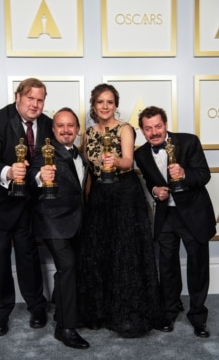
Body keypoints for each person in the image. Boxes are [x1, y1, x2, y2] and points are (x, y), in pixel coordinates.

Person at [76, 83, 165, 338]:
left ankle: (127, 312)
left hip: (124, 195)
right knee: (99, 252)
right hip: (100, 199)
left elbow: (128, 161)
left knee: (125, 253)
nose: (105, 106)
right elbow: (89, 172)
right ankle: (100, 311)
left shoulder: (125, 129)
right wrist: (87, 200)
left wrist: (114, 161)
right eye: (100, 102)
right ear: (94, 106)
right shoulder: (89, 133)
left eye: (110, 102)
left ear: (116, 105)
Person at [0, 78, 52, 336]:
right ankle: (1, 311)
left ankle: (36, 306)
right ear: (18, 96)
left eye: (40, 100)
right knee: (0, 255)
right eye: (31, 99)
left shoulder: (48, 124)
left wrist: (40, 177)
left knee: (28, 253)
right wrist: (8, 171)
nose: (35, 104)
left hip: (26, 201)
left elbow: (42, 162)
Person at [134, 106, 216, 338]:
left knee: (197, 267)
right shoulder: (141, 154)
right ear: (142, 130)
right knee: (167, 266)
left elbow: (204, 175)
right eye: (148, 128)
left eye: (158, 126)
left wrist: (184, 173)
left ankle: (198, 316)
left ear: (166, 125)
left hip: (193, 214)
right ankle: (170, 311)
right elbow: (152, 182)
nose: (154, 132)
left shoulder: (189, 142)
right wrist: (155, 189)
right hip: (166, 216)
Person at [28, 107, 90, 349]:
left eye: (70, 125)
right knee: (67, 267)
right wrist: (40, 176)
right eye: (61, 125)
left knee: (69, 270)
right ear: (53, 130)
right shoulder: (46, 152)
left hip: (76, 221)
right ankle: (66, 328)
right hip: (52, 220)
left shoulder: (80, 155)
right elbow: (35, 171)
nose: (66, 130)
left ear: (76, 129)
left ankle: (61, 312)